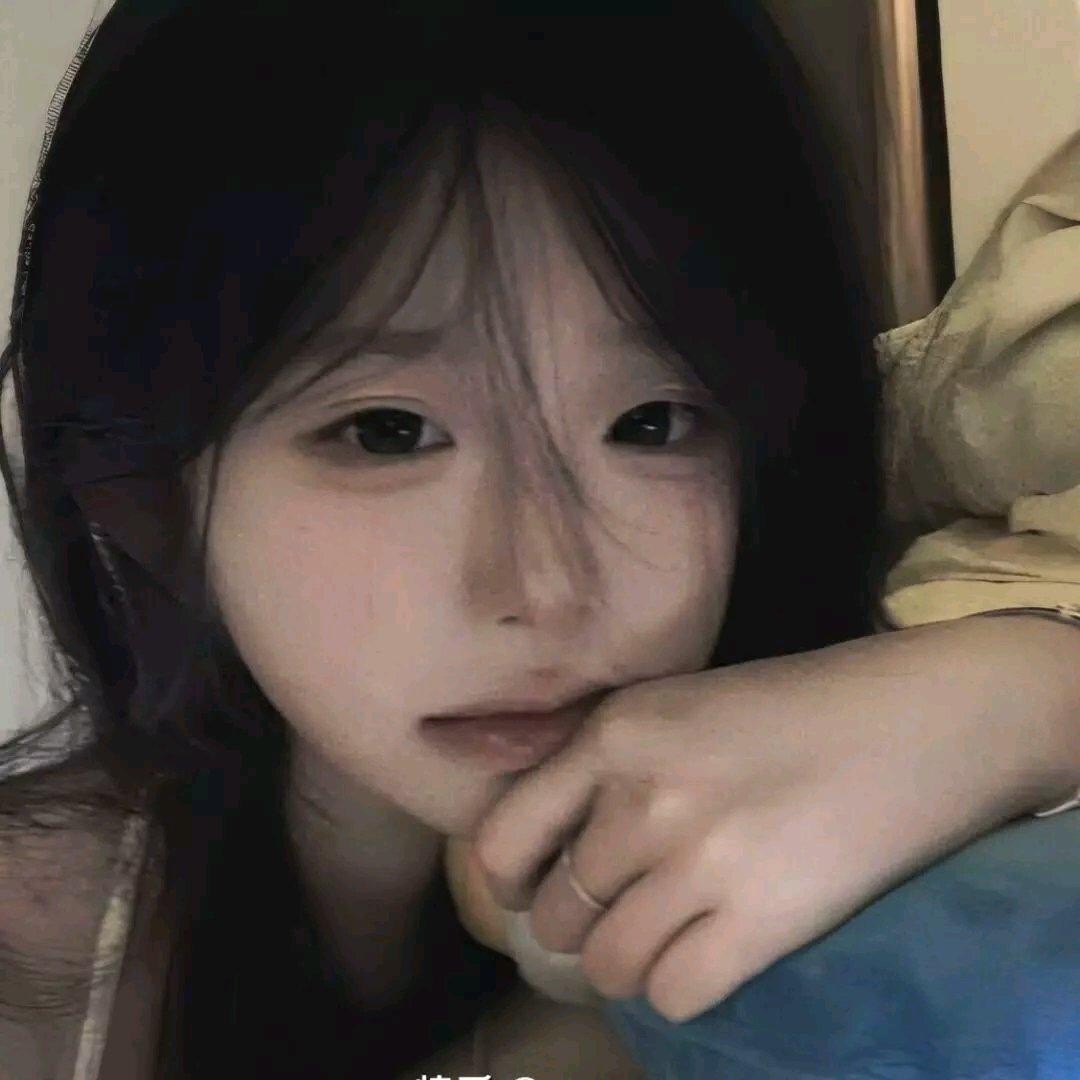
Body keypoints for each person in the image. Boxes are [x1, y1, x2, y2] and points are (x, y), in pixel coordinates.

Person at [0, 5, 1075, 1080]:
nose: (548, 585)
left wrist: (1028, 692)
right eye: (388, 432)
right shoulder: (33, 967)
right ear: (148, 499)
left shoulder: (899, 887)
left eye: (651, 422)